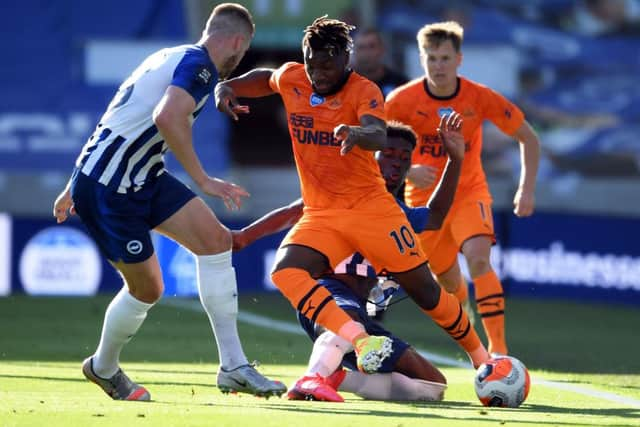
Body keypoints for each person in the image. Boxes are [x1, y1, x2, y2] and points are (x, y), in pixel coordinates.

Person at [215, 16, 490, 376]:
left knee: (425, 292)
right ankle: (362, 341)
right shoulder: (294, 77)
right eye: (312, 65)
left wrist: (357, 134)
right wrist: (227, 87)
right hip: (322, 213)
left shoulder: (365, 91)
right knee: (285, 272)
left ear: (347, 58)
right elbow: (266, 78)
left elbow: (378, 133)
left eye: (327, 65)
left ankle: (482, 358)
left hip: (372, 211)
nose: (318, 74)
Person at [51, 3, 287, 401]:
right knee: (148, 289)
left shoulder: (171, 56)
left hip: (141, 176)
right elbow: (166, 117)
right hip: (110, 189)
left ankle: (233, 366)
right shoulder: (200, 66)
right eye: (242, 52)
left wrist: (73, 178)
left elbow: (119, 114)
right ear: (236, 41)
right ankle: (103, 366)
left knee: (216, 241)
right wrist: (203, 180)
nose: (238, 60)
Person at [231, 120, 465, 402]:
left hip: (361, 313)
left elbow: (436, 215)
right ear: (371, 156)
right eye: (388, 154)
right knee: (345, 322)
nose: (396, 163)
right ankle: (312, 378)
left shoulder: (399, 214)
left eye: (404, 159)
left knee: (432, 387)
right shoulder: (340, 192)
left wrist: (455, 159)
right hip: (327, 293)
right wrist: (244, 236)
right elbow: (294, 211)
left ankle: (338, 377)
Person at [386, 21, 541, 356]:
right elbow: (373, 148)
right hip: (425, 203)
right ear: (421, 59)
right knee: (448, 282)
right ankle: (467, 323)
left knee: (479, 260)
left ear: (459, 59)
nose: (438, 65)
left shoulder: (479, 96)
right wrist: (408, 172)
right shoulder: (400, 101)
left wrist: (526, 189)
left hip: (470, 192)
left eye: (445, 58)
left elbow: (528, 137)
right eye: (431, 58)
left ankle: (498, 350)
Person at [351, 28, 408, 97]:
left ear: (382, 49)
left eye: (372, 46)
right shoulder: (342, 84)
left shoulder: (400, 85)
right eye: (361, 48)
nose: (367, 53)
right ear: (353, 52)